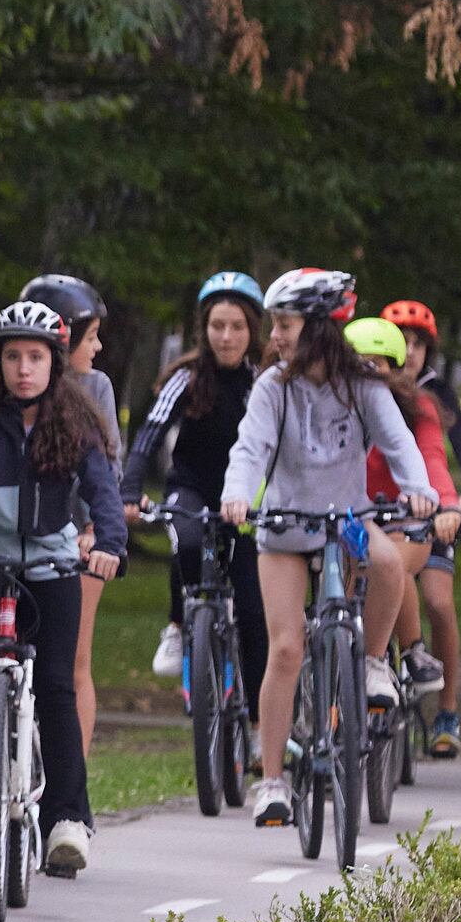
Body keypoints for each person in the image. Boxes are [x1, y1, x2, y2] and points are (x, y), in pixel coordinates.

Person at [220, 269, 433, 827]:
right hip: (285, 527)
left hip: (348, 521)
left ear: (317, 328)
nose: (276, 335)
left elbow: (399, 442)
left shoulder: (362, 384)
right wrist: (238, 495)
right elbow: (250, 448)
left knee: (389, 564)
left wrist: (419, 491)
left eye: (285, 324)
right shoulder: (273, 386)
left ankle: (371, 664)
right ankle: (272, 782)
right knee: (286, 649)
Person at [0, 300, 126, 876]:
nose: (24, 368)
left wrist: (110, 545)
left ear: (55, 363)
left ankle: (66, 822)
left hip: (52, 564)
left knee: (56, 688)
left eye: (36, 357)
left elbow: (103, 492)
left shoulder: (77, 420)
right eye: (13, 357)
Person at [139, 271, 269, 702]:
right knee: (189, 544)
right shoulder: (187, 377)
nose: (226, 337)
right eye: (217, 326)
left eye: (237, 327)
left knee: (253, 612)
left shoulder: (263, 382)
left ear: (252, 329)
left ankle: (253, 725)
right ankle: (179, 625)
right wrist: (127, 488)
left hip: (248, 500)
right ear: (204, 329)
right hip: (191, 488)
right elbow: (150, 433)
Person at [347, 314, 461, 751]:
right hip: (349, 518)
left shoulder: (418, 407)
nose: (369, 374)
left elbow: (432, 458)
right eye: (359, 363)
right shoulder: (333, 404)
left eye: (379, 365)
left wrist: (445, 504)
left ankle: (413, 650)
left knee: (391, 563)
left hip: (405, 519)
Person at [29, 273, 118, 768]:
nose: (99, 347)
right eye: (91, 337)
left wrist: (95, 532)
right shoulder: (8, 384)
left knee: (72, 659)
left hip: (78, 536)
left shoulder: (96, 388)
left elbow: (106, 468)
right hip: (14, 533)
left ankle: (71, 780)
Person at [380, 298, 461, 752]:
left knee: (438, 600)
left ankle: (448, 709)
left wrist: (456, 501)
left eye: (418, 344)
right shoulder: (344, 394)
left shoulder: (429, 398)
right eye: (401, 342)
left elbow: (445, 453)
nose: (409, 352)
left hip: (425, 512)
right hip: (372, 514)